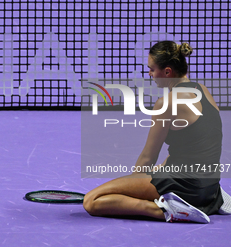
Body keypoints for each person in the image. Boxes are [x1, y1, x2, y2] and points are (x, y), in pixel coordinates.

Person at [83, 41, 231, 223]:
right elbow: (196, 144)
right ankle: (211, 199)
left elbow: (147, 158)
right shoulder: (203, 90)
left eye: (152, 69)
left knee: (92, 201)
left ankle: (168, 210)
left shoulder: (166, 103)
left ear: (167, 72)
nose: (150, 74)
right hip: (210, 187)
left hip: (186, 187)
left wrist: (131, 186)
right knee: (158, 170)